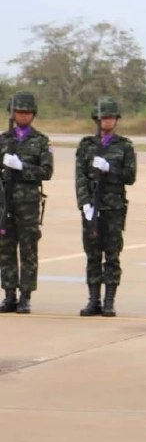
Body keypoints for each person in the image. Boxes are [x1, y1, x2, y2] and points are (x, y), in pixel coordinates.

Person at [75, 97, 138, 317]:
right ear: (97, 119)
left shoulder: (124, 146)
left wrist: (110, 168)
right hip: (92, 206)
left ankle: (109, 301)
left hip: (113, 207)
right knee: (92, 254)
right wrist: (84, 204)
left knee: (112, 255)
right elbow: (80, 177)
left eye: (111, 117)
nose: (107, 121)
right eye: (104, 117)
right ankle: (94, 300)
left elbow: (130, 177)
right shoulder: (86, 145)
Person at [1, 91, 54, 315]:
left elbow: (46, 171)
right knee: (5, 249)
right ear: (12, 113)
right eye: (19, 112)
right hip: (4, 202)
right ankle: (9, 294)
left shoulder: (41, 142)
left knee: (28, 250)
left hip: (29, 204)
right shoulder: (3, 140)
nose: (23, 116)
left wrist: (22, 167)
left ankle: (25, 296)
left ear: (33, 115)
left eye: (27, 112)